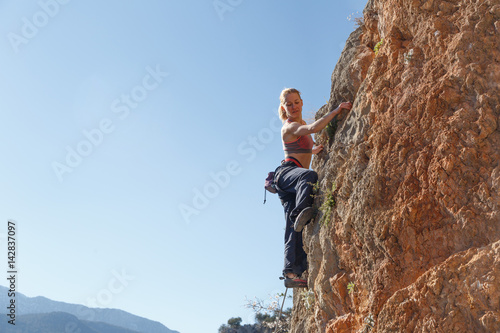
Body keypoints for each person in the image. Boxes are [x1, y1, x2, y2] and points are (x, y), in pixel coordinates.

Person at [273, 88, 352, 288]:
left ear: (301, 102)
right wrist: (335, 111)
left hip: (293, 180)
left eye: (296, 102)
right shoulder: (289, 127)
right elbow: (313, 129)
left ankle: (292, 273)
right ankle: (301, 211)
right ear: (284, 108)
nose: (294, 107)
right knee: (309, 176)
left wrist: (313, 150)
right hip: (287, 174)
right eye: (289, 104)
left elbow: (303, 145)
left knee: (292, 227)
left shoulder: (298, 125)